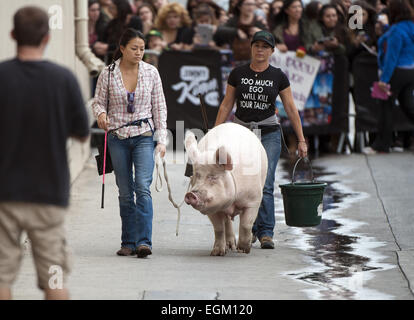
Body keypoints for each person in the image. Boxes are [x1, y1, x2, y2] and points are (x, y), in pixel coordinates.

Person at [0, 6, 90, 300]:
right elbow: (81, 132)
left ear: (13, 35)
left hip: (4, 195)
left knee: (1, 277)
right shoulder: (63, 79)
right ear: (47, 37)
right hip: (48, 195)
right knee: (54, 277)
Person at [214, 30, 308, 249]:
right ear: (251, 48)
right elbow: (227, 104)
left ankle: (266, 232)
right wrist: (214, 134)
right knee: (242, 180)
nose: (260, 50)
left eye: (265, 47)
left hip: (269, 132)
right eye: (257, 45)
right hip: (241, 133)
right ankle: (251, 227)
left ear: (272, 51)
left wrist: (301, 140)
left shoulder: (278, 76)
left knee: (265, 182)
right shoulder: (237, 73)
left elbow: (291, 109)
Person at [92, 28, 167, 258]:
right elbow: (98, 102)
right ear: (122, 48)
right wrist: (101, 115)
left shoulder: (151, 72)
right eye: (134, 48)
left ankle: (144, 242)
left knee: (142, 188)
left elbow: (160, 107)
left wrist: (161, 139)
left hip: (144, 135)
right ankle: (128, 241)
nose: (139, 53)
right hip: (117, 137)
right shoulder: (108, 73)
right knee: (125, 191)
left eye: (142, 49)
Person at [363, 0, 414, 154]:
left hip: (397, 72)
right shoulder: (410, 26)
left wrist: (383, 80)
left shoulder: (396, 31)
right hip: (411, 71)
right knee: (408, 105)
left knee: (386, 108)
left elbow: (391, 58)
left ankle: (382, 144)